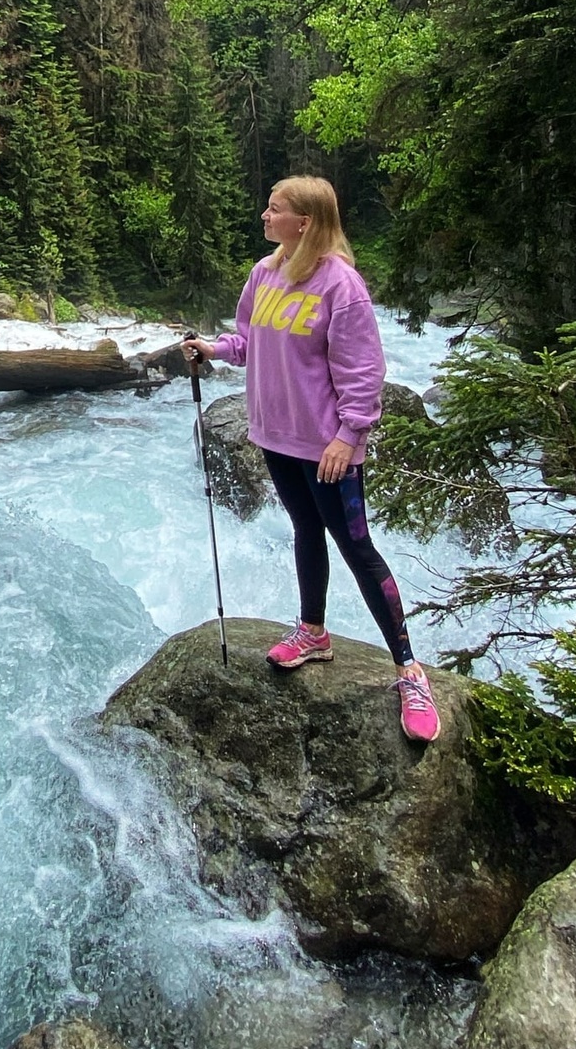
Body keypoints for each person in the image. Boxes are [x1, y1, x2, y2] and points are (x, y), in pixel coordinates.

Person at [182, 175, 440, 743]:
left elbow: (364, 372)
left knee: (357, 547)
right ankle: (313, 632)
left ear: (306, 222)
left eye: (274, 210)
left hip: (327, 446)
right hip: (276, 436)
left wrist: (350, 436)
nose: (265, 217)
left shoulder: (340, 285)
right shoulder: (265, 274)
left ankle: (409, 670)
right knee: (305, 530)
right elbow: (247, 341)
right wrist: (211, 348)